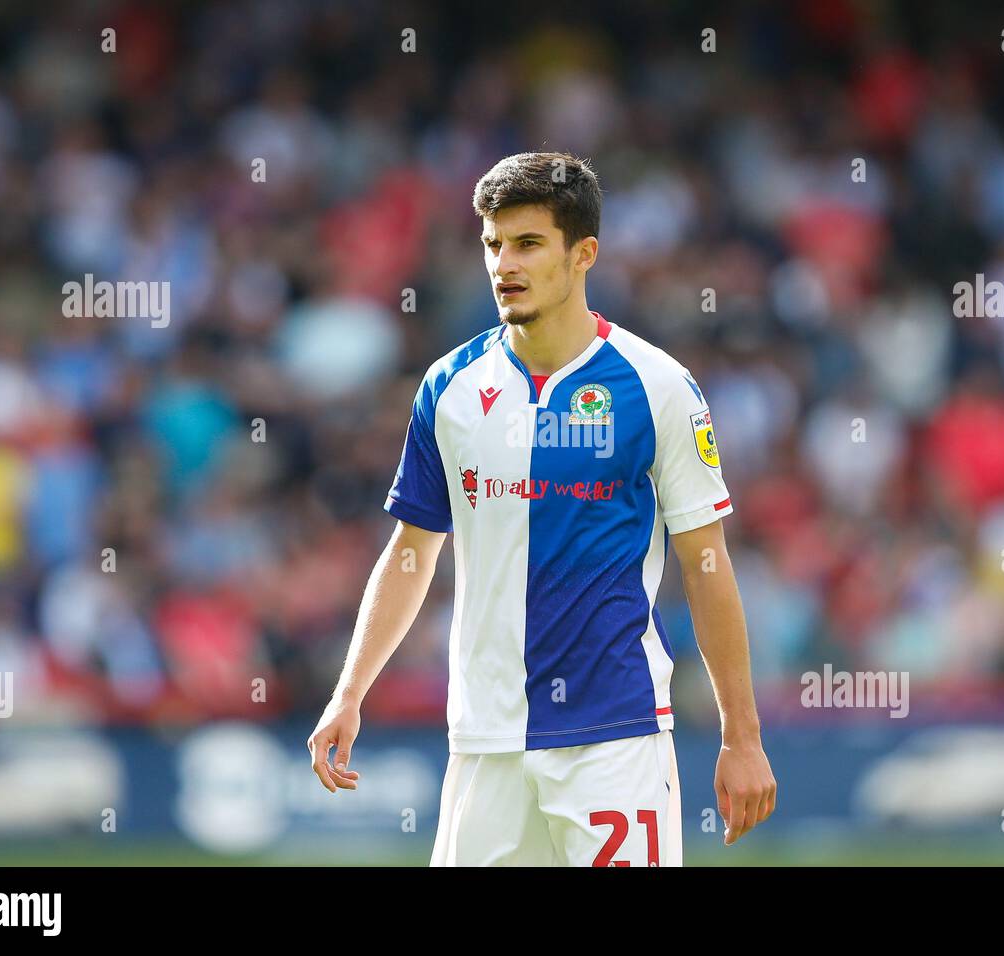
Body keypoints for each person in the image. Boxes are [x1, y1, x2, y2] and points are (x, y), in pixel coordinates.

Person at [308, 151, 777, 866]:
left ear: (582, 253)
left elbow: (706, 564)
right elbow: (411, 551)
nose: (505, 264)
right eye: (493, 244)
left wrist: (740, 738)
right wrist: (350, 691)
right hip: (485, 741)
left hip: (614, 738)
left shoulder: (657, 388)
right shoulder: (449, 388)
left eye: (528, 243)